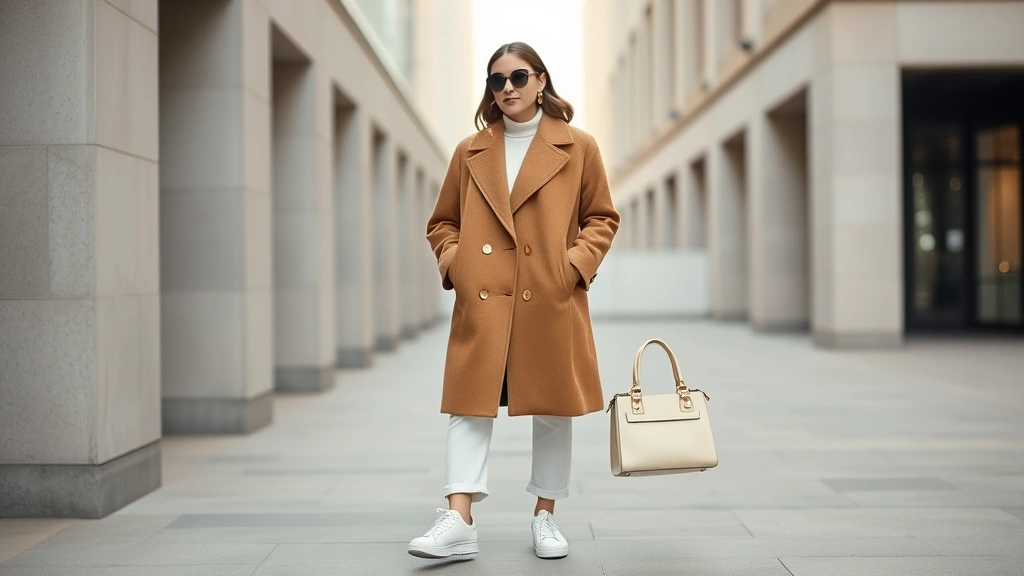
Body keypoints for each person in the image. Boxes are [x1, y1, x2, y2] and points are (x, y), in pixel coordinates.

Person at [411, 41, 620, 560]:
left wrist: (572, 267)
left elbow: (601, 217)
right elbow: (443, 222)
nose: (507, 88)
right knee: (468, 404)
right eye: (497, 80)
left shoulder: (578, 146)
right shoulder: (470, 151)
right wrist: (457, 264)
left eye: (519, 77)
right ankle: (459, 518)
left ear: (541, 81)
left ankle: (545, 516)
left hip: (547, 295)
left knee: (552, 408)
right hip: (484, 298)